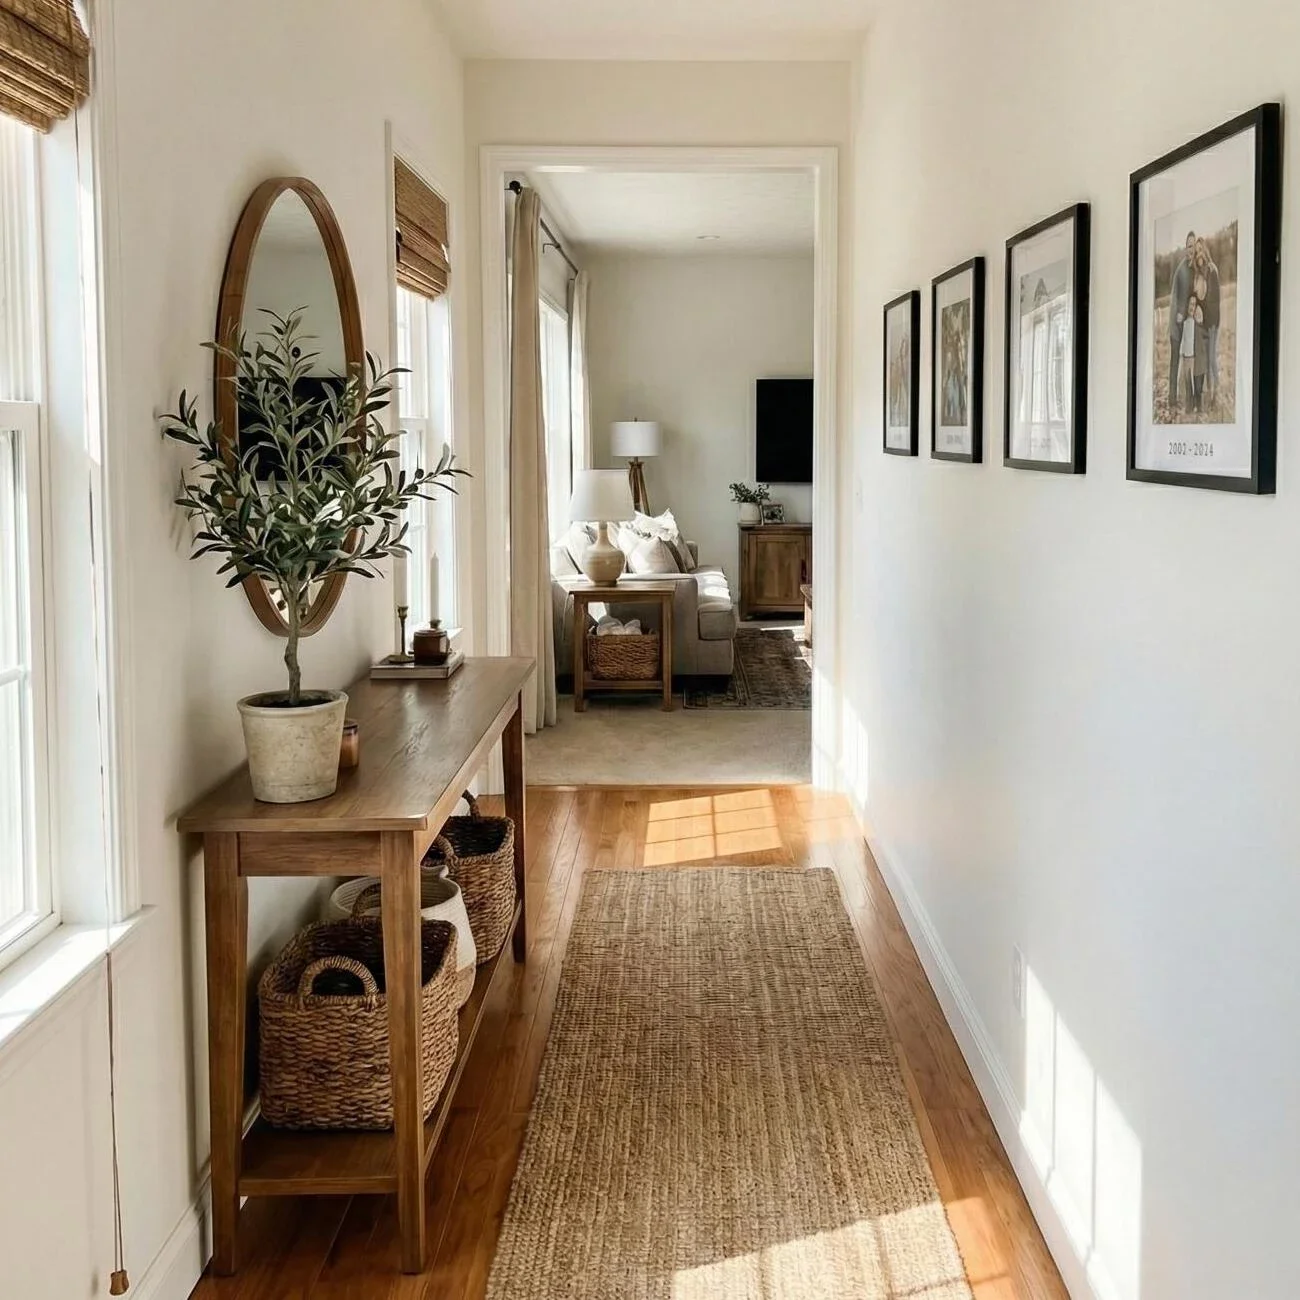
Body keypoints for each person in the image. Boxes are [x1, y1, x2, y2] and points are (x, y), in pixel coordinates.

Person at [1167, 230, 1196, 407]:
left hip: (1186, 323)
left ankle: (1188, 398)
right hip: (1177, 323)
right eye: (1188, 246)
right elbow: (1178, 296)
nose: (1190, 249)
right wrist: (1179, 312)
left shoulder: (1193, 268)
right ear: (1185, 249)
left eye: (1192, 245)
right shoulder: (1183, 269)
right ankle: (1171, 398)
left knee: (1187, 359)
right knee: (1175, 361)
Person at [1195, 237, 1222, 406]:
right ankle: (1210, 395)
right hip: (1204, 323)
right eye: (1196, 251)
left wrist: (1210, 323)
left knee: (1211, 358)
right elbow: (1199, 299)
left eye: (1200, 249)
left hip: (1212, 322)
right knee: (1205, 360)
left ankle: (1215, 394)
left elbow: (1214, 300)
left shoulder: (1212, 270)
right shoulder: (1199, 274)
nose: (1198, 253)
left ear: (1205, 250)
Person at [1180, 291, 1198, 410]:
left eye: (1194, 304)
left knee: (1192, 380)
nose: (1192, 307)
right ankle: (1189, 406)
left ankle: (1195, 404)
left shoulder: (1196, 323)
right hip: (1186, 356)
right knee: (1186, 381)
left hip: (1193, 356)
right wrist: (1182, 352)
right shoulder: (1186, 322)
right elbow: (1183, 339)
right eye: (1190, 304)